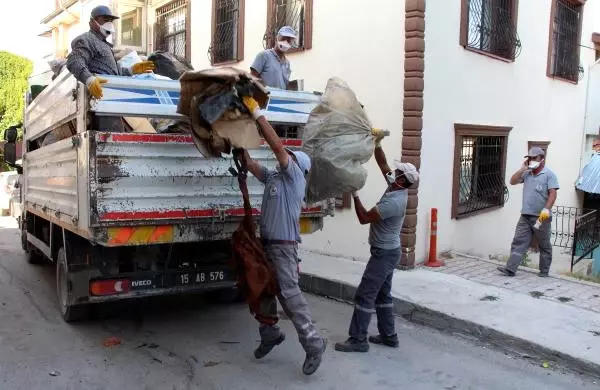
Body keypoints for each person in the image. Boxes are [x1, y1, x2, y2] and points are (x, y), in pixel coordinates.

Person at [239, 95, 327, 375]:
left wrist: (257, 114)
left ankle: (313, 343)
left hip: (284, 247)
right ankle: (270, 333)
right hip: (267, 245)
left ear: (297, 168)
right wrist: (238, 143)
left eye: (287, 158)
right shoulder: (275, 178)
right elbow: (252, 165)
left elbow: (277, 147)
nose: (282, 158)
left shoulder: (294, 179)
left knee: (289, 295)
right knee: (262, 289)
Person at [335, 134, 418, 353]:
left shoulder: (394, 201)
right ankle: (389, 336)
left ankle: (358, 339)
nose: (393, 172)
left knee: (365, 294)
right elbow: (382, 164)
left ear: (401, 179)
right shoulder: (397, 186)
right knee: (382, 294)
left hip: (384, 254)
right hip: (389, 251)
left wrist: (354, 193)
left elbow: (364, 218)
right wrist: (377, 143)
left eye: (397, 172)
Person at [66, 5, 155, 100]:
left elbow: (111, 73)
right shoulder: (86, 39)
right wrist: (89, 79)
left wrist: (131, 70)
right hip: (97, 100)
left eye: (110, 21)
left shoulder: (105, 45)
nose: (109, 24)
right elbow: (74, 61)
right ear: (92, 22)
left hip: (111, 99)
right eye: (105, 19)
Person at [498, 147, 559, 277]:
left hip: (541, 217)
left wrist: (546, 209)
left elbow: (552, 194)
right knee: (518, 241)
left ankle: (544, 271)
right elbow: (512, 181)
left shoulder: (549, 175)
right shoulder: (527, 173)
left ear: (542, 159)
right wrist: (522, 169)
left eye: (534, 158)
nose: (531, 160)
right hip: (525, 215)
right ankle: (510, 269)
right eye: (529, 158)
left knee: (544, 244)